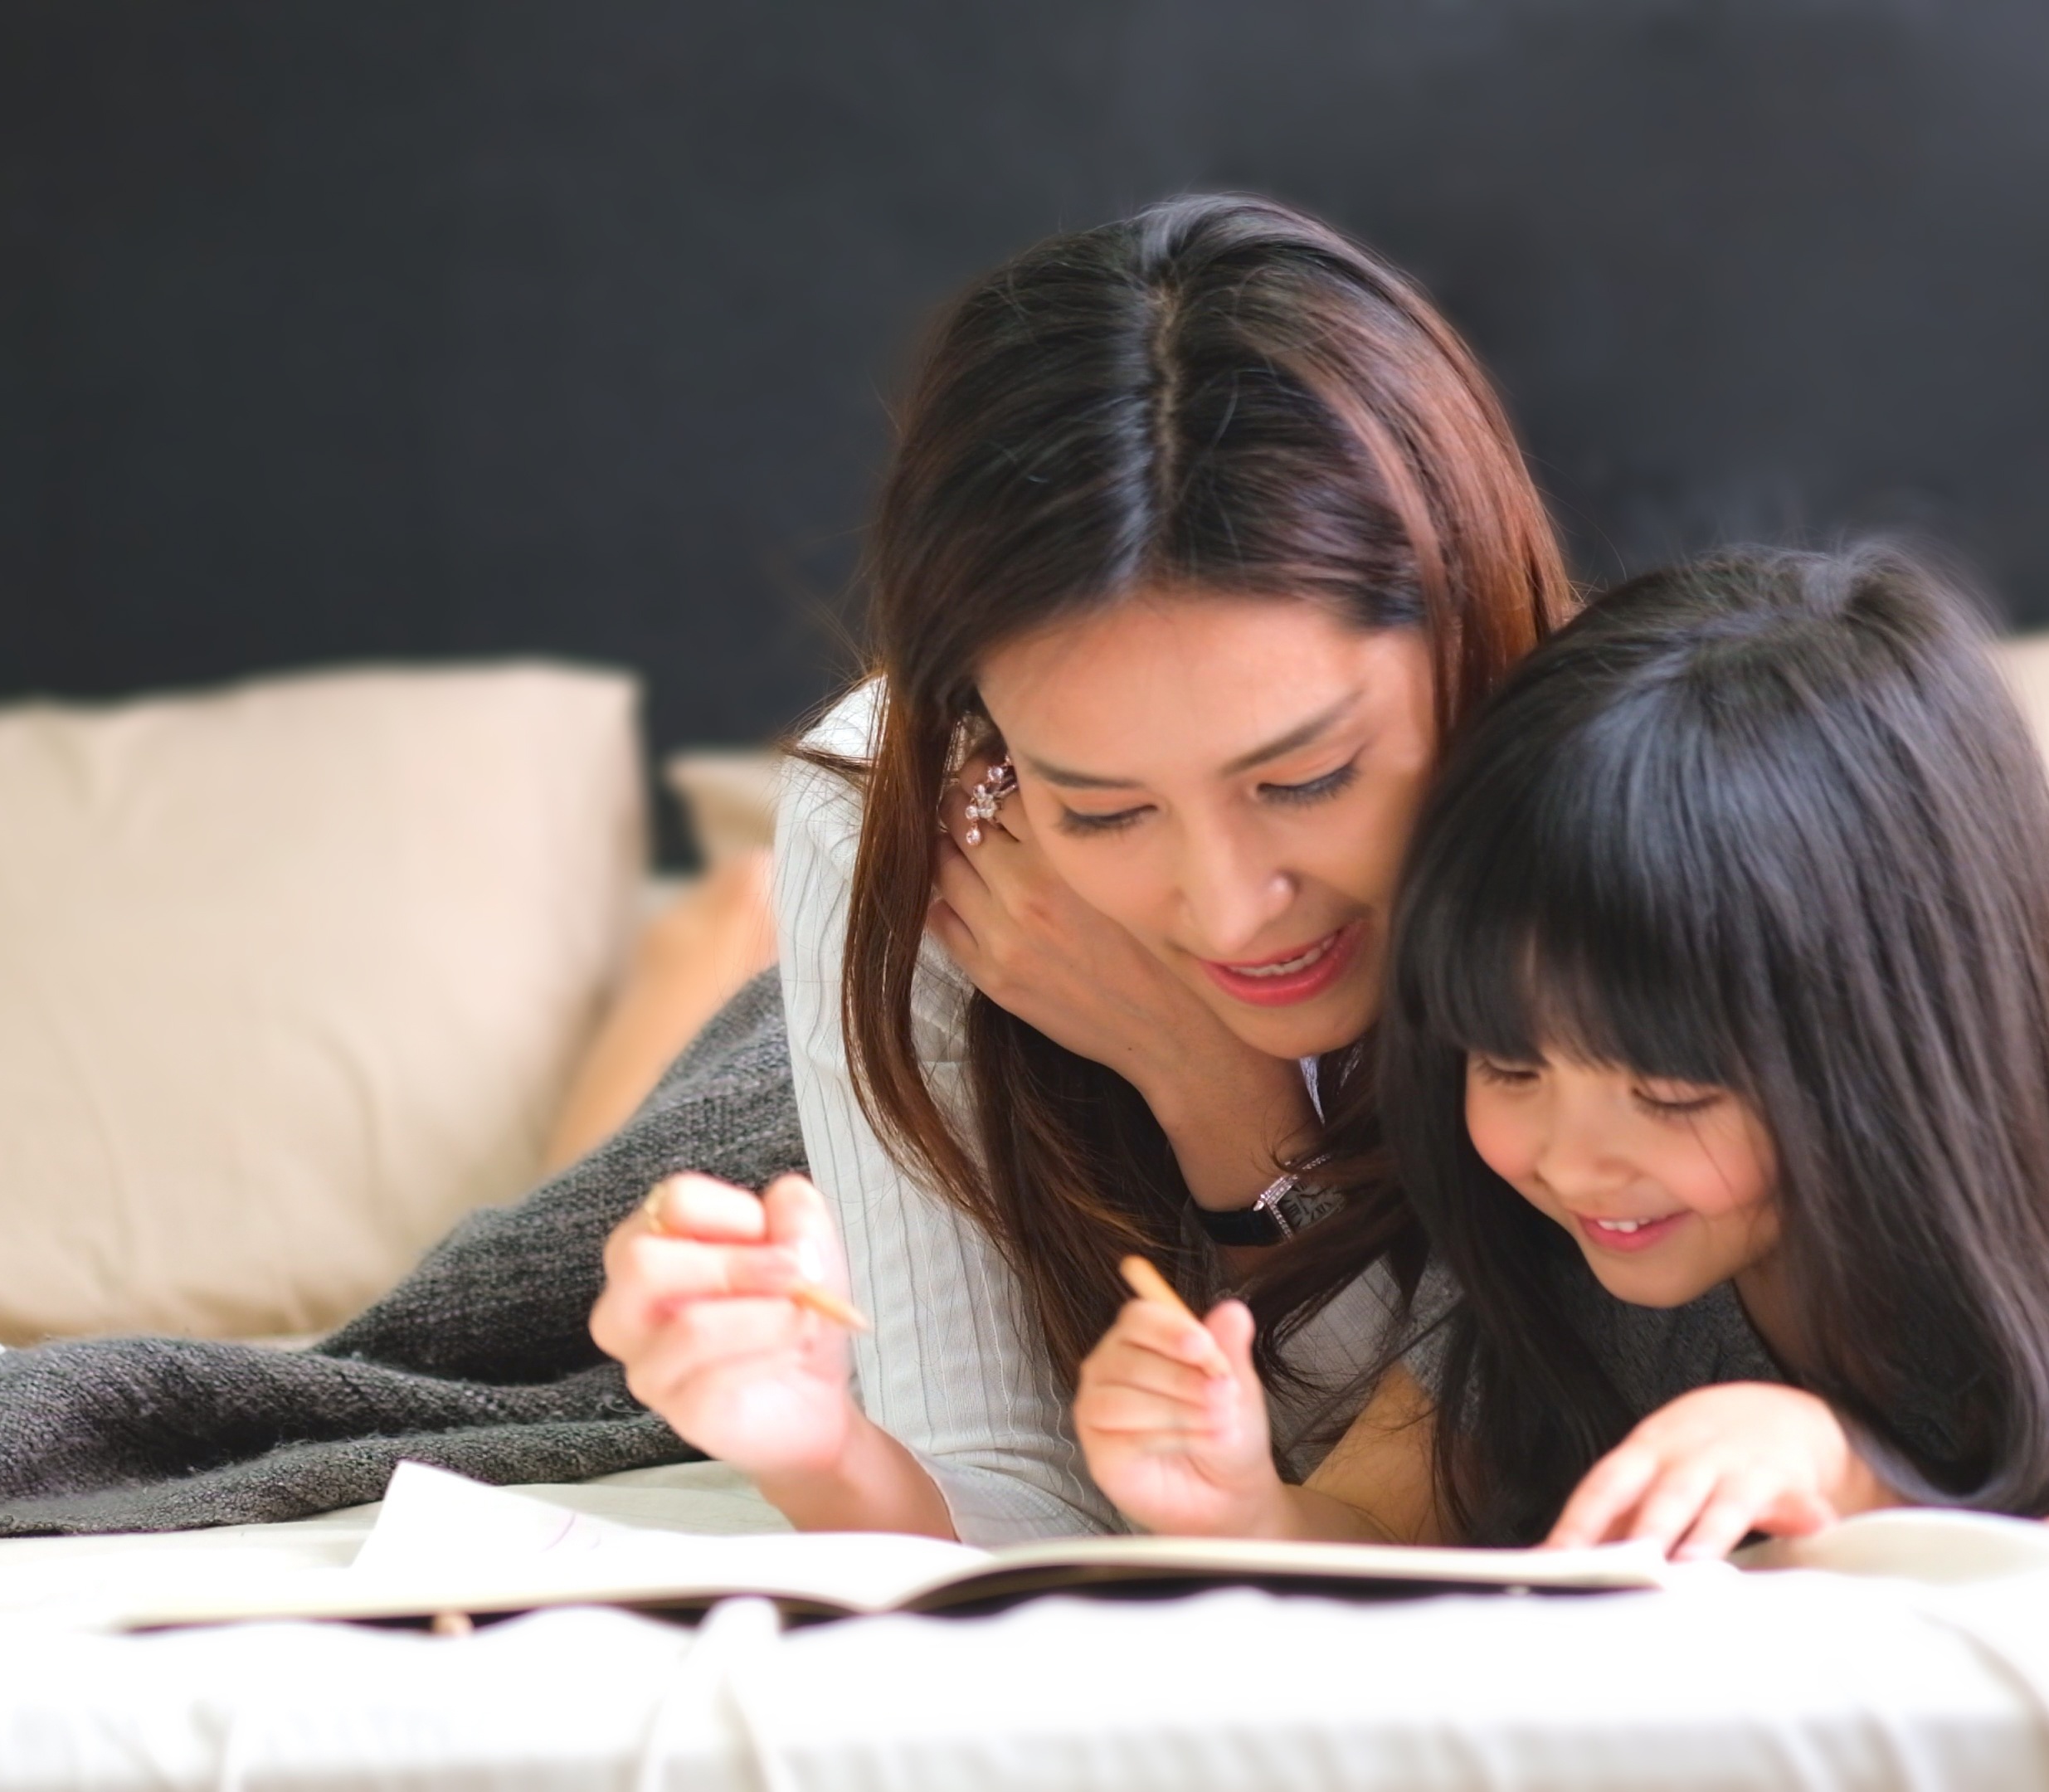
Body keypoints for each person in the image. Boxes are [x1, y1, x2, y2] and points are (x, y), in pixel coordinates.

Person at [1072, 542, 2049, 1556]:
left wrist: (1840, 1467)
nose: (1569, 1152)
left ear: (1885, 1046)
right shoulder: (1583, 1229)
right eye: (1506, 1064)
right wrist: (1238, 1503)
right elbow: (1408, 1528)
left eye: (1668, 1090)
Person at [590, 192, 1677, 1542]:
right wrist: (819, 1453)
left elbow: (1441, 1462)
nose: (1228, 907)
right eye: (1104, 809)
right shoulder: (900, 815)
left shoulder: (1642, 807)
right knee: (598, 1246)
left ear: (1475, 640)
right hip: (851, 1045)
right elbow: (999, 1497)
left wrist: (1213, 1089)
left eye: (1305, 780)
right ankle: (684, 980)